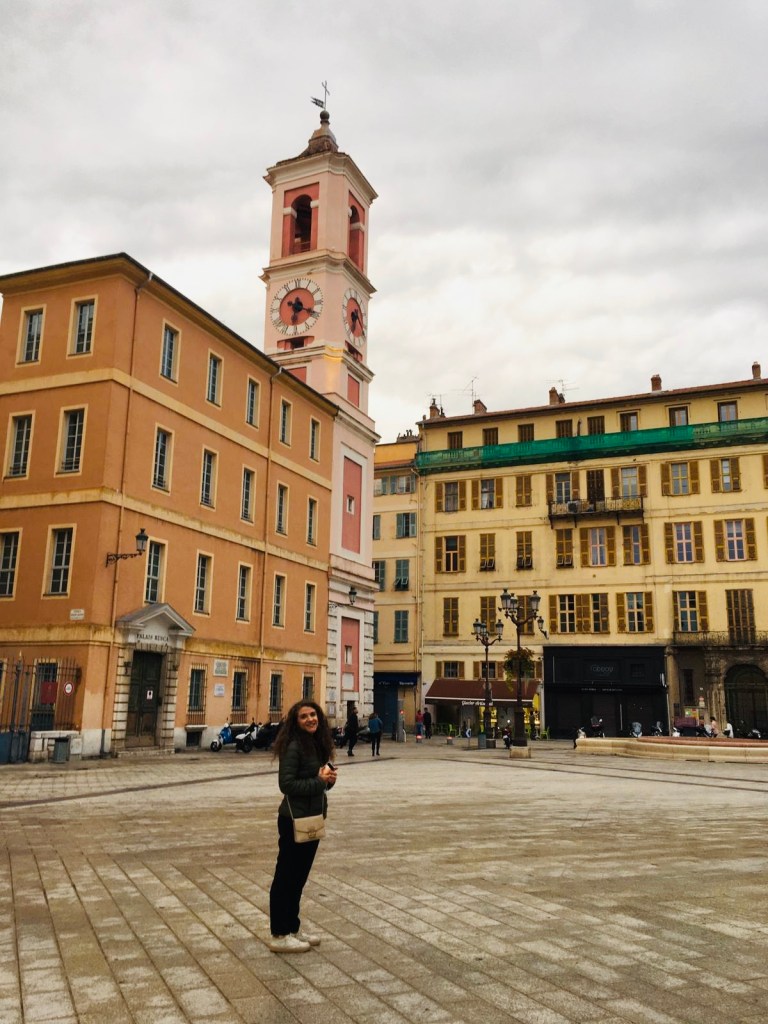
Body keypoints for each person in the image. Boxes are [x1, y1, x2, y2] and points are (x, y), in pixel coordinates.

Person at [268, 701, 337, 954]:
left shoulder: (316, 745)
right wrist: (319, 781)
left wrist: (328, 780)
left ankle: (292, 927)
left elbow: (318, 783)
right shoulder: (294, 746)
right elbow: (286, 785)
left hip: (313, 817)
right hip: (293, 820)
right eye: (304, 716)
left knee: (299, 877)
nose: (310, 719)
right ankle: (279, 933)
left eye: (313, 715)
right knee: (286, 876)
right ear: (295, 722)